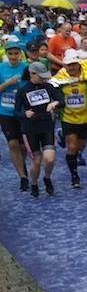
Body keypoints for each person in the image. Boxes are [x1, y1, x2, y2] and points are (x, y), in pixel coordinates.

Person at [53, 50, 87, 189]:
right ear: (64, 66)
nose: (71, 67)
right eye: (68, 65)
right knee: (72, 147)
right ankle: (74, 176)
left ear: (79, 65)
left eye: (74, 64)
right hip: (68, 118)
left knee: (80, 147)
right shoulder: (59, 81)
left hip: (85, 118)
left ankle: (62, 134)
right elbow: (52, 93)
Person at [14, 62, 62, 196]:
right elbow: (16, 112)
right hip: (31, 129)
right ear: (31, 74)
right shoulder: (23, 91)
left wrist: (56, 103)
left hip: (47, 126)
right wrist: (25, 114)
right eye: (40, 76)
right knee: (37, 160)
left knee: (50, 159)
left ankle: (47, 177)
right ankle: (34, 183)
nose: (43, 78)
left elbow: (61, 101)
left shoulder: (49, 87)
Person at [0, 45, 29, 191]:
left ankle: (21, 163)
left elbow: (31, 87)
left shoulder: (26, 68)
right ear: (6, 54)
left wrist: (21, 93)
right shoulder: (1, 69)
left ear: (20, 54)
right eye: (10, 54)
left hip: (22, 112)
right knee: (12, 144)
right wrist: (7, 83)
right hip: (5, 111)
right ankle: (22, 177)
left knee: (23, 146)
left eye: (15, 53)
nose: (13, 57)